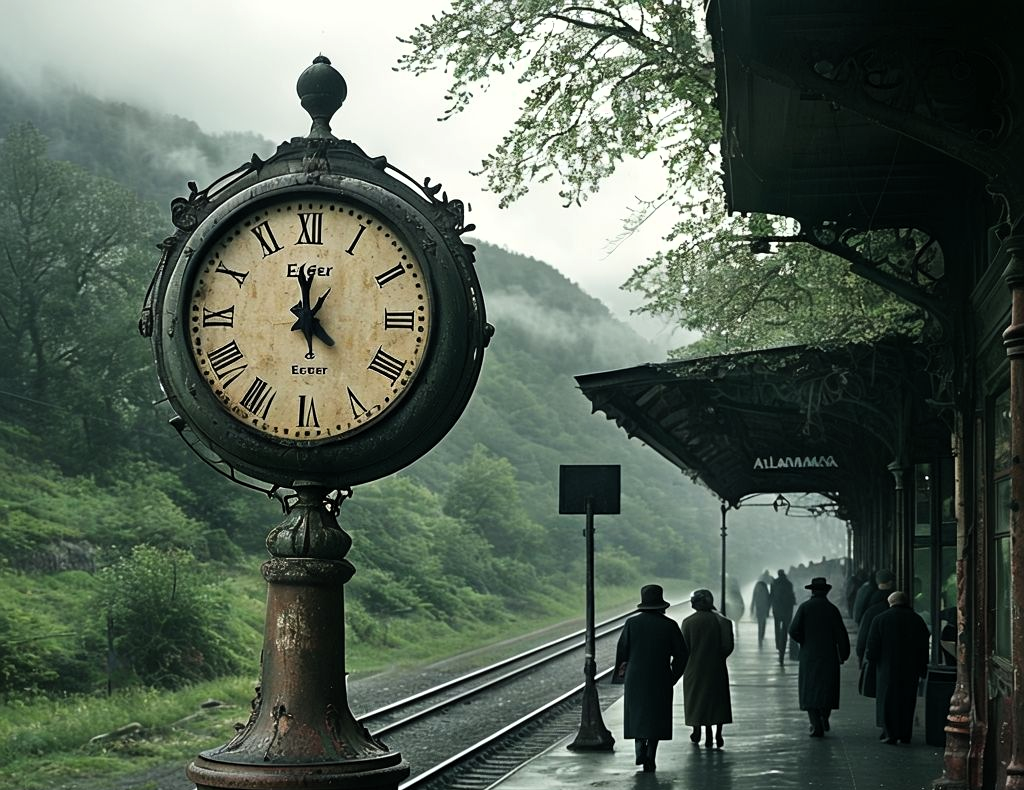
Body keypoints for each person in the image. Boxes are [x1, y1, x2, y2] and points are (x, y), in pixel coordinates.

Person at [614, 584, 688, 772]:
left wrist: (623, 673)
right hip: (660, 676)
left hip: (635, 677)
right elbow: (682, 654)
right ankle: (651, 755)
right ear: (661, 604)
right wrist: (673, 676)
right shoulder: (669, 625)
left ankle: (639, 746)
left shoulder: (631, 623)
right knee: (657, 716)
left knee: (637, 713)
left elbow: (622, 650)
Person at [865, 590, 930, 744]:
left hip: (887, 668)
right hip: (910, 669)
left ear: (891, 603)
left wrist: (872, 660)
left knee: (888, 700)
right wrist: (922, 667)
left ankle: (890, 733)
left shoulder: (880, 619)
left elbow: (872, 647)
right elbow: (923, 646)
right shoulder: (917, 619)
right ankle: (905, 733)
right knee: (907, 701)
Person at [789, 577, 851, 737]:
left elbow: (793, 630)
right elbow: (841, 635)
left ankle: (815, 723)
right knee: (827, 688)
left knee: (809, 688)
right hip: (829, 655)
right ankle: (824, 716)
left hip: (809, 655)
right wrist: (843, 654)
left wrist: (804, 641)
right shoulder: (832, 609)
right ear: (826, 591)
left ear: (812, 591)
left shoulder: (804, 608)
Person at [680, 588, 734, 749]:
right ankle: (717, 734)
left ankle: (698, 730)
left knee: (696, 701)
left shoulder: (688, 622)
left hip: (694, 669)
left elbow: (683, 649)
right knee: (717, 701)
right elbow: (728, 647)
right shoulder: (723, 621)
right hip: (717, 668)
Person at [770, 569, 797, 665]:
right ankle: (783, 647)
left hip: (777, 610)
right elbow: (792, 597)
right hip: (787, 611)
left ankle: (778, 644)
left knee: (777, 628)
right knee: (785, 630)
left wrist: (769, 607)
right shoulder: (789, 583)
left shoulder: (774, 583)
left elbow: (771, 596)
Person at [751, 578, 771, 646]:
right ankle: (762, 635)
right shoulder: (765, 587)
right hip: (764, 607)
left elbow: (753, 598)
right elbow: (768, 598)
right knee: (763, 621)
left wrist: (752, 608)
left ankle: (760, 635)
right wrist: (768, 609)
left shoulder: (756, 587)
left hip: (759, 607)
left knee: (760, 622)